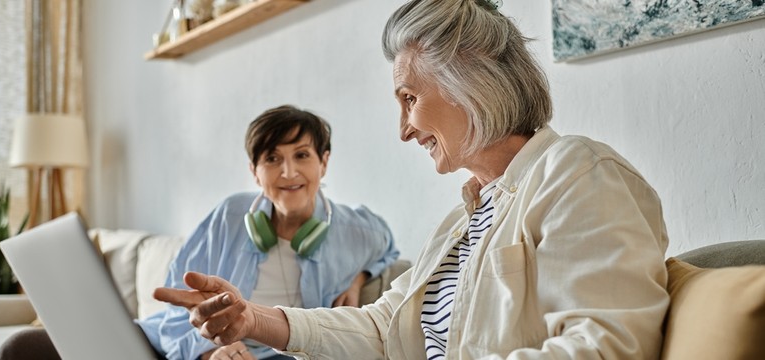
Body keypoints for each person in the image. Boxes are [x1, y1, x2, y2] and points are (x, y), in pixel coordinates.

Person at [154, 1, 670, 359]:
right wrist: (250, 320)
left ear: (473, 84)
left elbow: (606, 348)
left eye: (409, 99)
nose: (404, 131)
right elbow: (383, 329)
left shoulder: (577, 174)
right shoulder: (462, 220)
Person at [0, 105, 400, 360]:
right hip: (191, 350)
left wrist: (360, 276)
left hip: (273, 356)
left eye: (302, 156)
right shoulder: (229, 215)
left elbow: (387, 245)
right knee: (21, 348)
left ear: (324, 163)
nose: (288, 173)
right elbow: (177, 304)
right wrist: (212, 350)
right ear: (253, 171)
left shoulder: (355, 230)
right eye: (272, 158)